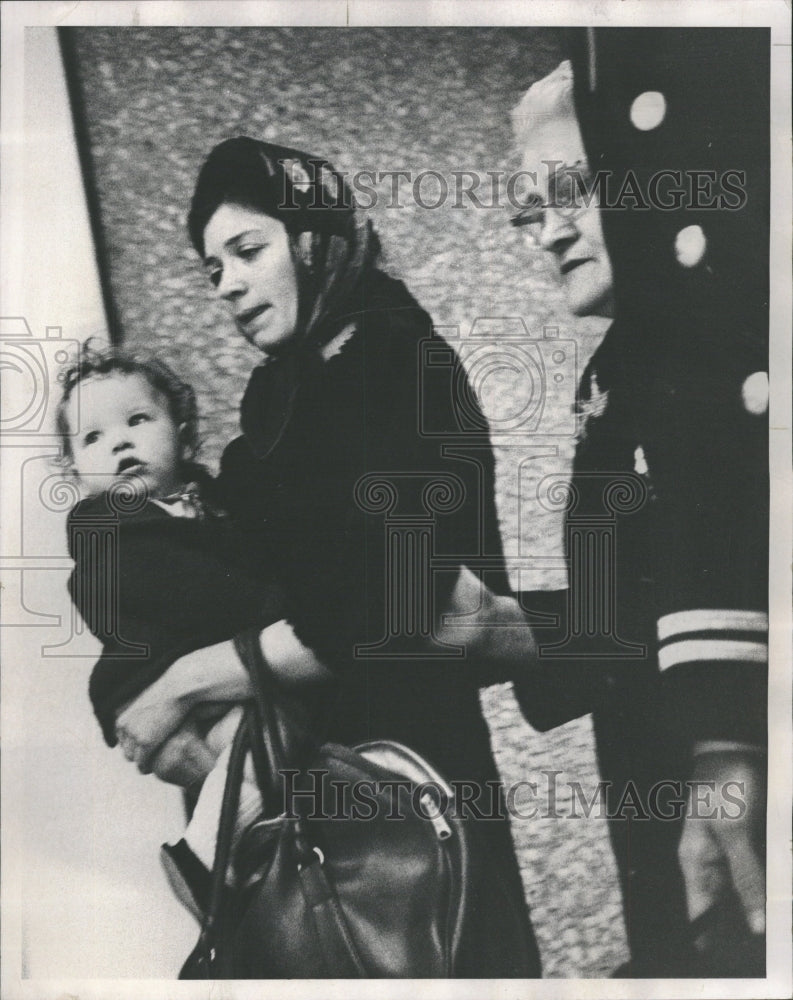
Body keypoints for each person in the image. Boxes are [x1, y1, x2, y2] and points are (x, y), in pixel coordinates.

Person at [104, 137, 542, 977]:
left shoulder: (396, 357)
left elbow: (401, 595)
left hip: (416, 781)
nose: (227, 284)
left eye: (247, 250)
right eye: (211, 269)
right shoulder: (284, 390)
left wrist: (184, 684)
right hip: (323, 794)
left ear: (312, 238)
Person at [510, 43, 767, 978]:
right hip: (655, 793)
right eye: (528, 211)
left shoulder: (719, 339)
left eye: (572, 190)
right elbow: (638, 603)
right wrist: (501, 632)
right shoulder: (618, 368)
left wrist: (724, 741)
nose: (547, 233)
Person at [57, 344, 312, 904]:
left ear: (183, 431)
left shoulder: (206, 504)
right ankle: (205, 858)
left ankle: (242, 864)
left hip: (203, 692)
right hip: (153, 692)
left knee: (267, 764)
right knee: (273, 739)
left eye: (138, 420)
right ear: (77, 471)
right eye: (93, 438)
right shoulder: (113, 538)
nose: (119, 442)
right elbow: (210, 599)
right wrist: (288, 604)